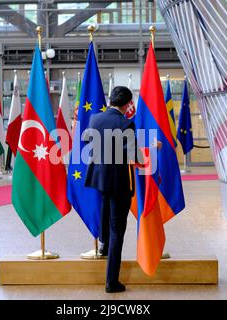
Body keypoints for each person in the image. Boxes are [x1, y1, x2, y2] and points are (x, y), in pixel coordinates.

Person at [84, 86, 138, 293]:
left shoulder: (95, 120)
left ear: (110, 99)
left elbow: (89, 142)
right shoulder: (126, 123)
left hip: (99, 178)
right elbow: (133, 155)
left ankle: (103, 245)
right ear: (127, 105)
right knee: (118, 230)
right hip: (119, 182)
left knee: (105, 210)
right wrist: (151, 146)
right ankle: (111, 281)